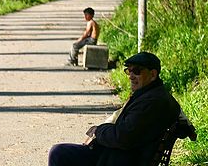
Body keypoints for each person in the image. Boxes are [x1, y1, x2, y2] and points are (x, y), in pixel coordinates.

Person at [49, 52, 181, 166]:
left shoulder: (151, 102)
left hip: (119, 159)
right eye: (129, 71)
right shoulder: (154, 95)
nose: (131, 76)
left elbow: (122, 137)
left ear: (152, 74)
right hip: (118, 156)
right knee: (62, 152)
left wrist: (98, 131)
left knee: (59, 153)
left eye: (137, 71)